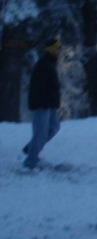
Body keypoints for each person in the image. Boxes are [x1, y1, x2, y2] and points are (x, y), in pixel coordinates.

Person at [23, 38, 62, 170]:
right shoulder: (43, 65)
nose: (59, 51)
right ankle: (30, 163)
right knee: (40, 133)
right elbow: (38, 88)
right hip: (42, 105)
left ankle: (31, 148)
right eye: (57, 48)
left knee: (54, 127)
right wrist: (44, 103)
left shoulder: (50, 63)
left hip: (49, 105)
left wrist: (54, 102)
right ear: (50, 49)